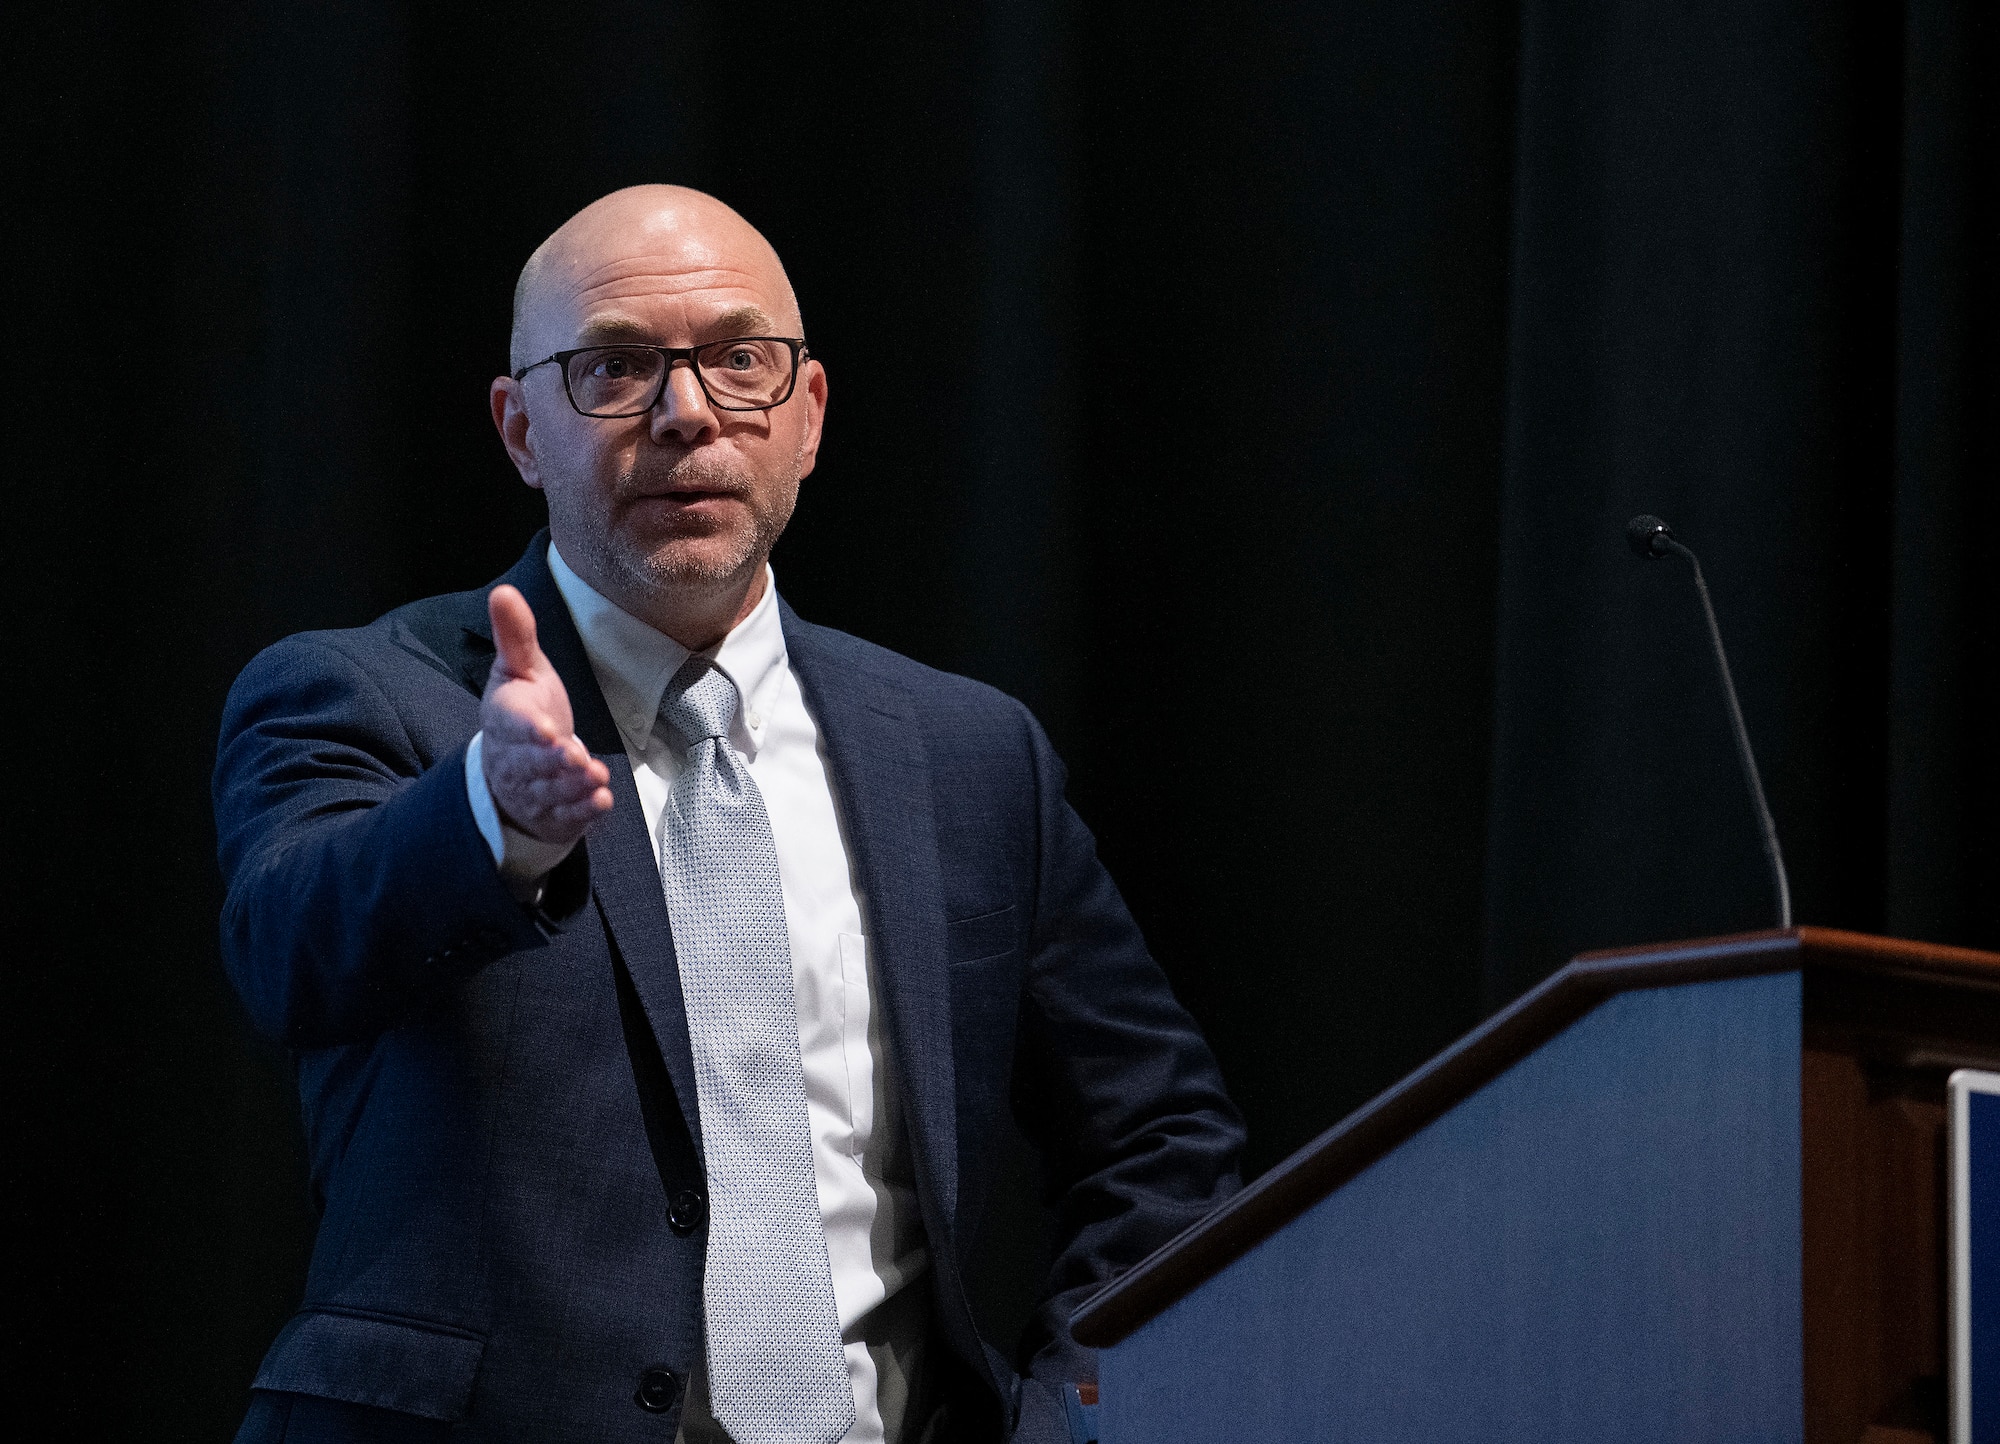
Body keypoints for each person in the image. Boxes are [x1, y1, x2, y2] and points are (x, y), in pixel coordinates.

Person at [214, 185, 1243, 1444]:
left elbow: (1160, 1134)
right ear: (519, 427)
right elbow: (289, 947)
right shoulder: (368, 695)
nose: (686, 413)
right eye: (614, 367)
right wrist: (492, 814)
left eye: (738, 361)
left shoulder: (968, 753)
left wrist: (1072, 1407)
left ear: (805, 416)